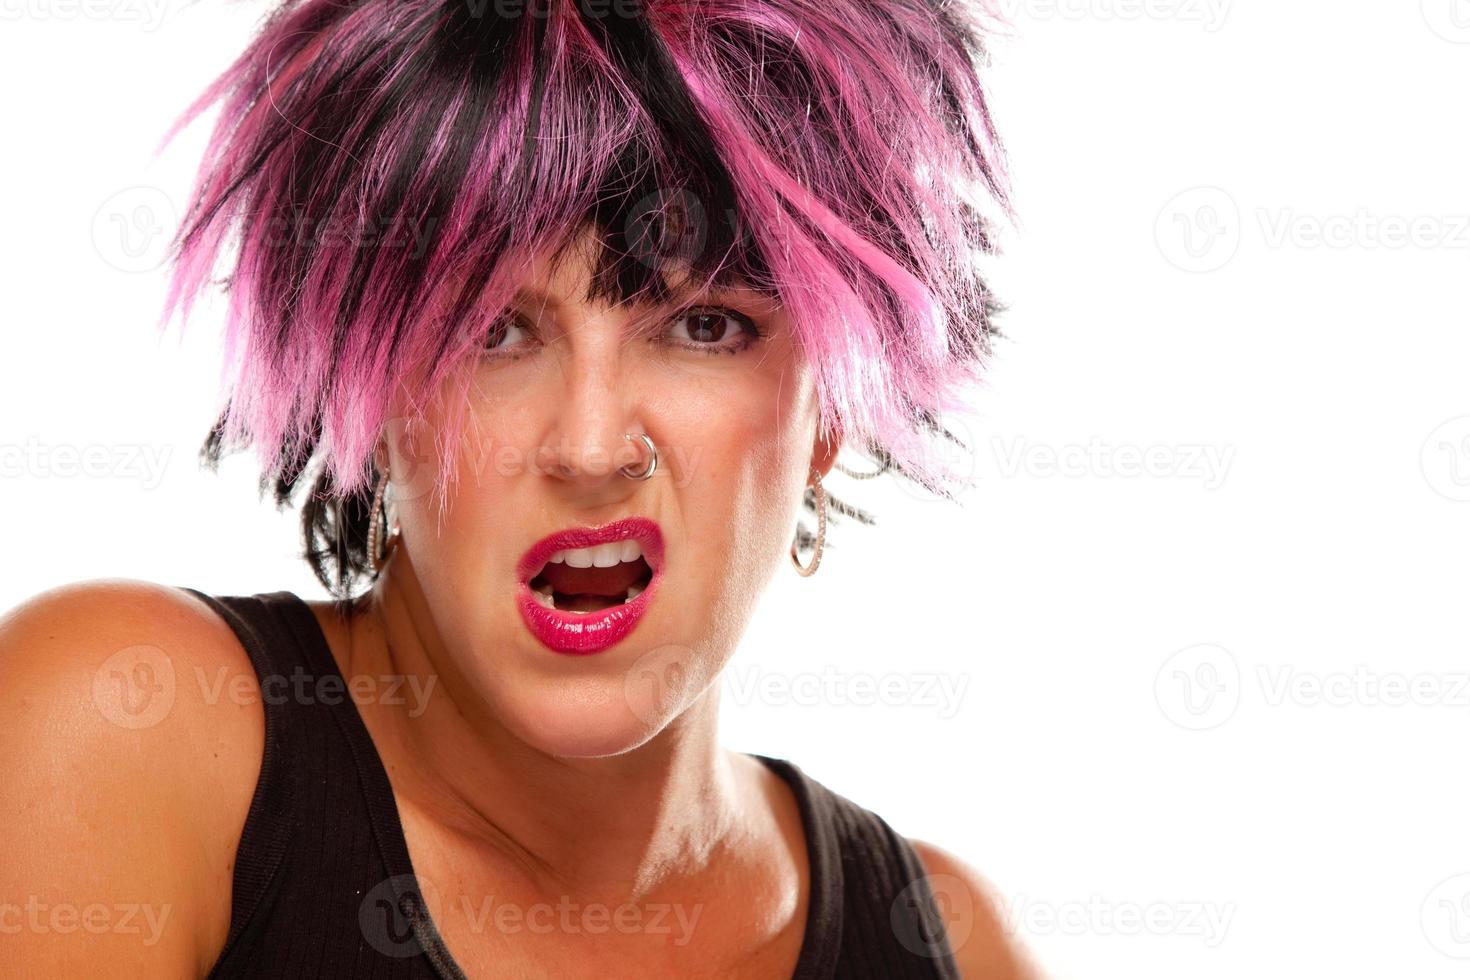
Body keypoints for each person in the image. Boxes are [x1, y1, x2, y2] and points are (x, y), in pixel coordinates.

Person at [1, 0, 1036, 975]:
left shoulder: (945, 944)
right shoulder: (125, 732)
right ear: (365, 368)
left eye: (705, 324)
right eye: (495, 328)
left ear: (840, 400)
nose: (590, 447)